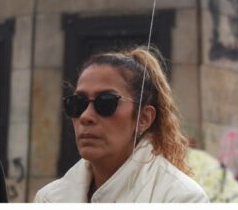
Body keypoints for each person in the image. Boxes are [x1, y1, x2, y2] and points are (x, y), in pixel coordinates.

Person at [34, 47, 208, 202]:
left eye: (106, 102)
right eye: (78, 103)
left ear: (144, 118)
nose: (86, 116)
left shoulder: (180, 198)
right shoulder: (49, 198)